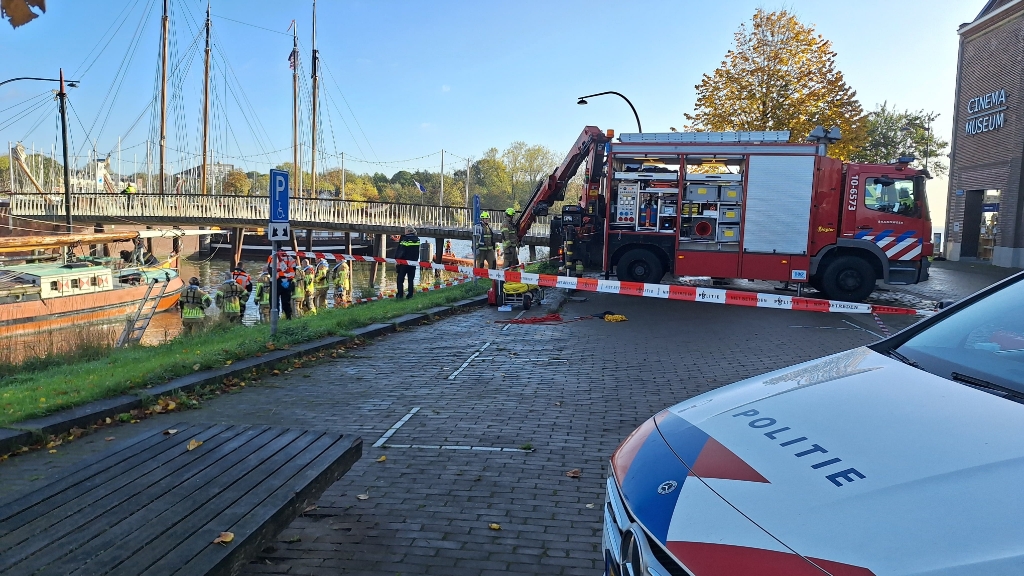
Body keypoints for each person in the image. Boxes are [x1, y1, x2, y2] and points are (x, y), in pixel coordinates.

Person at [267, 248, 296, 320]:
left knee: (274, 302)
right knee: (286, 301)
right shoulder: (290, 258)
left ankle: (275, 319)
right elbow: (294, 270)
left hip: (276, 281)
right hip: (287, 281)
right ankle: (288, 318)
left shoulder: (272, 257)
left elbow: (270, 270)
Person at [395, 226, 420, 299]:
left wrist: (398, 260)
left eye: (405, 230)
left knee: (400, 279)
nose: (404, 232)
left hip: (404, 262)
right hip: (413, 262)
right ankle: (410, 294)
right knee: (410, 279)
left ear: (408, 231)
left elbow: (402, 251)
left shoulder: (405, 239)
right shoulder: (417, 239)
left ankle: (400, 294)